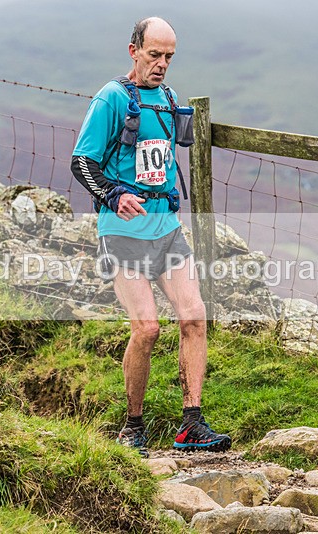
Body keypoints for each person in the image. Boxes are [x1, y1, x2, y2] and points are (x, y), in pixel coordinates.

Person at [71, 16, 231, 457]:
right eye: (154, 54)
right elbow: (81, 161)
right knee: (146, 328)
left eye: (169, 57)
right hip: (122, 232)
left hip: (165, 228)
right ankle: (133, 426)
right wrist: (112, 193)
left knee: (194, 316)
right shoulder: (111, 98)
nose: (162, 64)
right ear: (134, 50)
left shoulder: (169, 98)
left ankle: (192, 424)